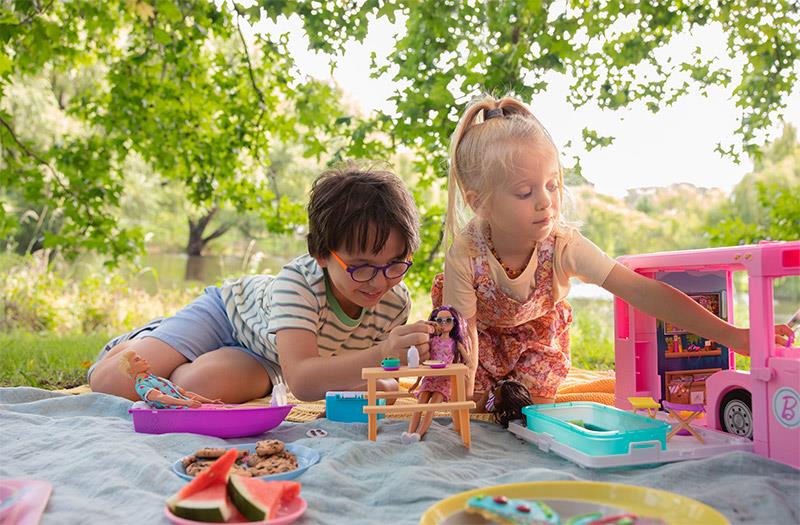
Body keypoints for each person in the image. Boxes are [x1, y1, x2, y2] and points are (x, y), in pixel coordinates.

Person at [434, 94, 794, 412]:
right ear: (479, 202)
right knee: (471, 404)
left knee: (533, 411)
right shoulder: (465, 255)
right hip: (478, 341)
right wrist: (457, 393)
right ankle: (491, 393)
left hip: (534, 343)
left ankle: (510, 393)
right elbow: (462, 339)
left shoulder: (562, 245)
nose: (546, 202)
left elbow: (641, 291)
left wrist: (735, 336)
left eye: (552, 185)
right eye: (525, 192)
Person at [89, 165, 433, 403]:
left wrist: (391, 370)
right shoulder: (299, 284)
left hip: (274, 358)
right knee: (112, 383)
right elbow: (306, 381)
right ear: (321, 253)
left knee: (195, 385)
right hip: (227, 314)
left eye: (394, 265)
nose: (379, 281)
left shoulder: (394, 301)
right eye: (361, 268)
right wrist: (383, 355)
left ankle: (187, 358)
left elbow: (326, 377)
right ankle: (150, 337)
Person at [402, 305, 471, 442]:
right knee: (419, 405)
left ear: (454, 323)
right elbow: (425, 362)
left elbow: (468, 361)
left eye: (448, 320)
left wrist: (463, 372)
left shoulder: (455, 343)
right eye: (439, 320)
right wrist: (416, 382)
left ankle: (418, 435)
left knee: (431, 408)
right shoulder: (432, 341)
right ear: (435, 322)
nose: (444, 324)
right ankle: (409, 433)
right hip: (429, 378)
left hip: (444, 380)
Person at [119, 350, 221, 409]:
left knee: (220, 409)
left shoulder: (158, 379)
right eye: (137, 360)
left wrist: (210, 401)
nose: (143, 360)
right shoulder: (142, 386)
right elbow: (161, 397)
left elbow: (184, 393)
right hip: (179, 413)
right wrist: (186, 403)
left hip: (190, 407)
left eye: (140, 358)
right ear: (130, 370)